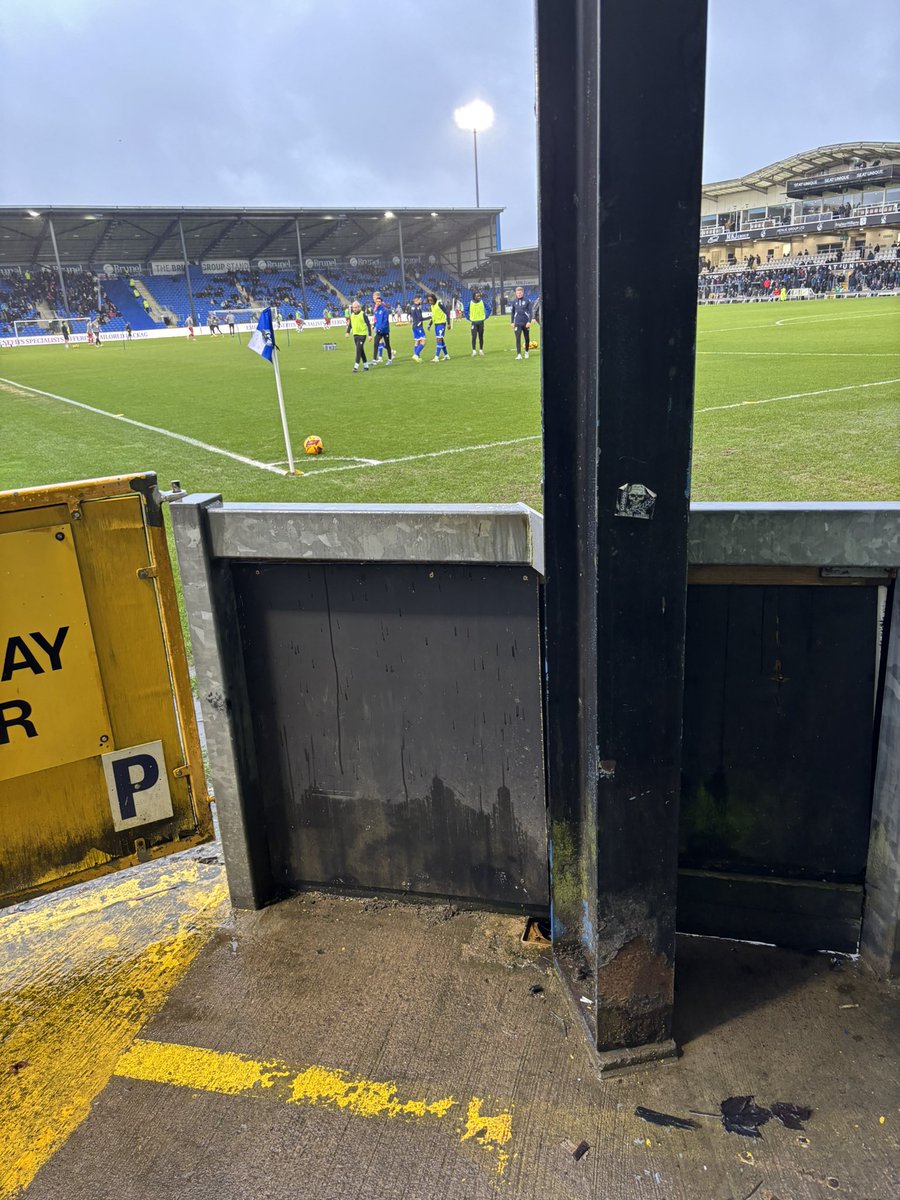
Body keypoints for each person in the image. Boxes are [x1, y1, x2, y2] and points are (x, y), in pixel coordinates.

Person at [509, 286, 532, 358]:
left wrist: (529, 321)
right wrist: (512, 322)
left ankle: (526, 352)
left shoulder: (527, 301)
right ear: (516, 293)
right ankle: (519, 354)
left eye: (520, 293)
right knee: (517, 338)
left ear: (522, 293)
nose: (519, 294)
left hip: (525, 323)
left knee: (527, 338)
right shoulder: (514, 301)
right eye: (518, 293)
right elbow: (512, 312)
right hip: (517, 323)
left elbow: (531, 312)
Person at [349, 301, 371, 372]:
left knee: (358, 350)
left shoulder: (363, 314)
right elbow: (350, 324)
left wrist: (369, 335)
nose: (354, 309)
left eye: (356, 307)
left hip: (362, 335)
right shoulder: (352, 315)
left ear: (359, 307)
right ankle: (366, 366)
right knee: (361, 351)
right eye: (353, 307)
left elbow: (368, 324)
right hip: (355, 335)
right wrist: (347, 332)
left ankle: (355, 367)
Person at [372, 291, 393, 365]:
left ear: (381, 302)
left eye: (379, 302)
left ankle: (389, 359)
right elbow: (377, 320)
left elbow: (385, 321)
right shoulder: (376, 310)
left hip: (384, 330)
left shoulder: (384, 310)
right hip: (378, 330)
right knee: (375, 344)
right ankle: (374, 360)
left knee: (387, 344)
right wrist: (374, 325)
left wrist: (381, 329)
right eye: (377, 302)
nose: (377, 303)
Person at [427, 292, 449, 361]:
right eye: (429, 300)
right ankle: (446, 355)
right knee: (441, 340)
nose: (430, 301)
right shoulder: (432, 306)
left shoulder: (439, 303)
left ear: (434, 299)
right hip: (436, 325)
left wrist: (448, 323)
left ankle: (436, 357)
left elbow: (447, 312)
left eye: (431, 300)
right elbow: (433, 316)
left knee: (438, 339)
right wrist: (429, 324)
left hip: (441, 324)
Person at [466, 289, 489, 355]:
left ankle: (481, 350)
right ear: (474, 297)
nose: (479, 297)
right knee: (474, 337)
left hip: (481, 322)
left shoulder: (482, 302)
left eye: (479, 296)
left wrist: (486, 316)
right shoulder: (470, 303)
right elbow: (465, 310)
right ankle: (474, 351)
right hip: (474, 323)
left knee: (481, 337)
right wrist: (468, 318)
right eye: (477, 296)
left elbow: (489, 309)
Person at [409, 294, 426, 361]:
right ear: (417, 300)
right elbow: (420, 318)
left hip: (414, 326)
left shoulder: (412, 307)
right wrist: (430, 317)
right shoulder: (417, 308)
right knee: (423, 341)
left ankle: (417, 357)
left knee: (417, 341)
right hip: (419, 326)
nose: (421, 301)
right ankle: (416, 355)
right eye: (420, 299)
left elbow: (410, 314)